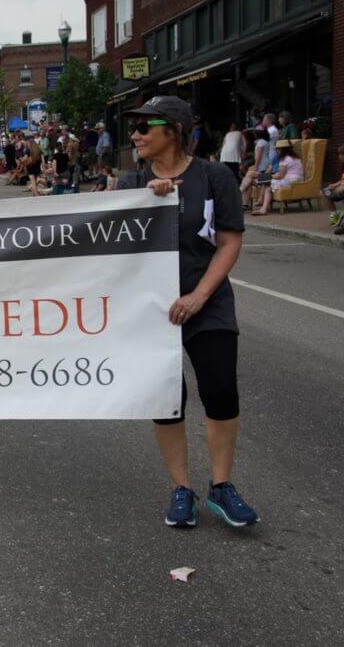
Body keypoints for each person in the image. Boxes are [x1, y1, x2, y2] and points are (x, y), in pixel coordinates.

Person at [120, 95, 259, 529]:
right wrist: (145, 202)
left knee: (220, 393)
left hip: (207, 302)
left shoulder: (214, 176)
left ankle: (222, 486)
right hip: (152, 310)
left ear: (175, 130)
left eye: (146, 125)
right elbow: (105, 242)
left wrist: (198, 296)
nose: (136, 133)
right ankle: (182, 489)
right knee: (167, 400)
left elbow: (230, 241)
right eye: (134, 126)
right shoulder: (130, 184)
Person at [251, 140, 304, 216]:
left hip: (291, 181)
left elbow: (280, 176)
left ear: (282, 149)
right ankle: (263, 208)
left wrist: (269, 176)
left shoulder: (285, 159)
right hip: (297, 179)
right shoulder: (295, 157)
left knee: (267, 182)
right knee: (268, 186)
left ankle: (263, 207)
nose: (277, 151)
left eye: (278, 149)